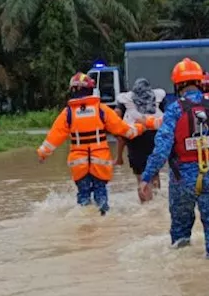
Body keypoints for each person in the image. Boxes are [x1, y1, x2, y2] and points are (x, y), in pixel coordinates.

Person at [139, 57, 209, 259]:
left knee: (180, 234)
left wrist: (146, 178)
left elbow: (161, 149)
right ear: (199, 83)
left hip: (182, 179)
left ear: (177, 85)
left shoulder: (174, 110)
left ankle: (183, 268)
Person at [38, 72, 144, 214]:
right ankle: (102, 219)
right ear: (89, 89)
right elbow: (123, 130)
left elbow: (54, 137)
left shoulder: (68, 113)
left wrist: (43, 152)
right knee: (101, 196)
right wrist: (140, 127)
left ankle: (85, 226)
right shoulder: (101, 109)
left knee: (83, 196)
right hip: (100, 162)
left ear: (73, 90)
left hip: (79, 164)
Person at [115, 78, 165, 187]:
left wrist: (119, 156)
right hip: (154, 137)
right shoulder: (158, 97)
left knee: (140, 177)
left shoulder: (125, 99)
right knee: (155, 173)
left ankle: (146, 203)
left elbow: (117, 115)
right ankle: (158, 200)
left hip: (135, 139)